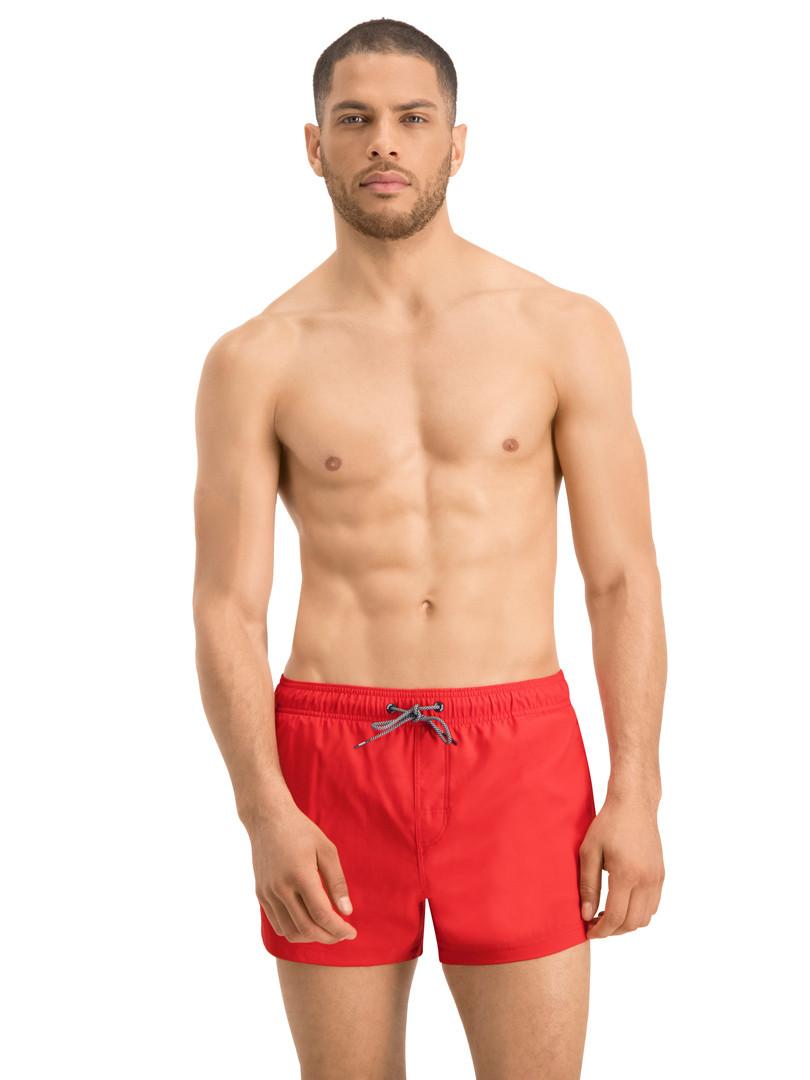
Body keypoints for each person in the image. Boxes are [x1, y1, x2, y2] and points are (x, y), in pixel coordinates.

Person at [192, 17, 666, 1080]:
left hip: (518, 754)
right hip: (329, 757)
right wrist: (264, 810)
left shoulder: (562, 328)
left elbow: (621, 577)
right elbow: (226, 605)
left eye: (412, 119)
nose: (383, 143)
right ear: (314, 144)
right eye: (354, 119)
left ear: (457, 142)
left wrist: (636, 787)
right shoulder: (256, 358)